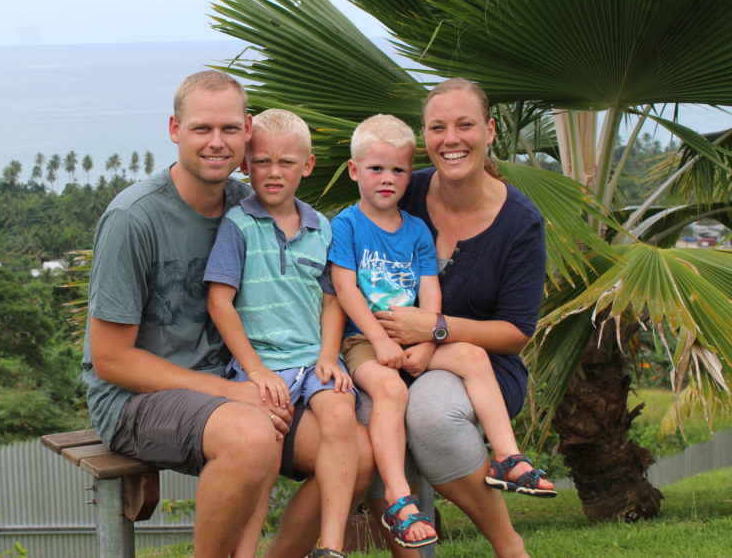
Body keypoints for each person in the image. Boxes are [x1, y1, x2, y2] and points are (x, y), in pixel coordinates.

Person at [82, 70, 373, 558]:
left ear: (248, 131)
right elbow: (111, 360)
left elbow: (315, 283)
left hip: (241, 382)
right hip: (136, 400)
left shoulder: (252, 207)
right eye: (201, 129)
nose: (216, 143)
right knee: (251, 434)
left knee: (357, 457)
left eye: (229, 130)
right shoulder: (134, 219)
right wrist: (235, 393)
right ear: (175, 130)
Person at [329, 114, 555, 549]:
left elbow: (431, 291)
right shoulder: (348, 223)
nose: (388, 179)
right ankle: (400, 498)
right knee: (383, 401)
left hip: (418, 341)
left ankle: (508, 457)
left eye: (398, 170)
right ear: (356, 171)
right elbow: (343, 287)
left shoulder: (417, 228)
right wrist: (378, 340)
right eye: (376, 170)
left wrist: (431, 341)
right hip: (367, 343)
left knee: (471, 357)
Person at [204, 109, 357, 558]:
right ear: (245, 165)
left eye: (286, 162)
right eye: (263, 162)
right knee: (262, 453)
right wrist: (253, 370)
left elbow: (331, 299)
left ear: (306, 166)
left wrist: (330, 353)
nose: (274, 173)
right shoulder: (238, 226)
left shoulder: (321, 228)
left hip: (313, 359)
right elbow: (219, 302)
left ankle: (330, 546)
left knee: (340, 414)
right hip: (260, 366)